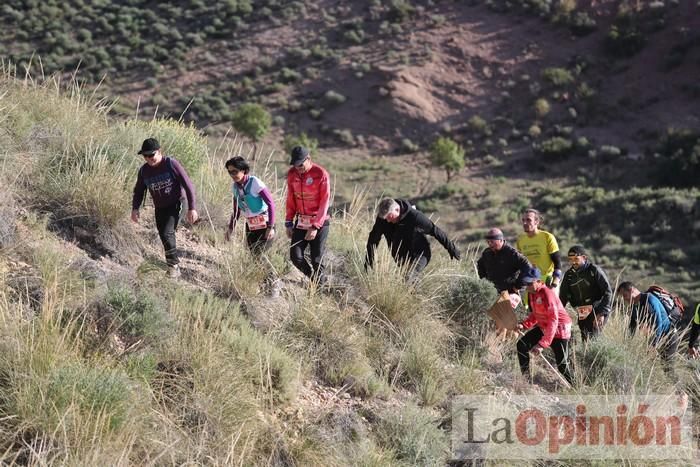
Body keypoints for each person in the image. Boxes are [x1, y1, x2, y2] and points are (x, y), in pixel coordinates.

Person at [131, 137, 198, 278]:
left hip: (177, 202)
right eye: (145, 156)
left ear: (159, 151)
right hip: (160, 207)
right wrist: (135, 208)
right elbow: (139, 191)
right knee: (163, 234)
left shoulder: (171, 164)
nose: (149, 158)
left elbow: (188, 185)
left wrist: (192, 208)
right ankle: (173, 266)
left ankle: (173, 267)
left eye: (151, 155)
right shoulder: (144, 171)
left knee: (167, 232)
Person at [365, 198, 460, 280]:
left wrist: (451, 248)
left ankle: (416, 298)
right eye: (386, 218)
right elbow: (373, 239)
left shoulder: (415, 217)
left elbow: (435, 231)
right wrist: (369, 261)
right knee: (406, 280)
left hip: (419, 253)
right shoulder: (384, 218)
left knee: (410, 277)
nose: (388, 220)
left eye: (390, 217)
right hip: (401, 257)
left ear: (397, 209)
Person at [516, 266, 574, 385]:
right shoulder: (532, 292)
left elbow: (554, 320)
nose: (527, 286)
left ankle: (577, 387)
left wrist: (543, 344)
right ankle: (527, 381)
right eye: (525, 283)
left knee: (562, 365)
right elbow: (536, 314)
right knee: (522, 345)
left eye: (530, 283)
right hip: (545, 326)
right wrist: (524, 325)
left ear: (539, 281)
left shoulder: (547, 294)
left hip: (560, 329)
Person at [285, 146, 331, 283]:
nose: (298, 167)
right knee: (295, 255)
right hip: (301, 221)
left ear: (308, 159)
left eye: (300, 164)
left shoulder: (321, 174)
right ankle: (312, 278)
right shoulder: (292, 174)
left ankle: (320, 285)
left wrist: (316, 226)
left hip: (320, 221)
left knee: (316, 258)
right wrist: (288, 221)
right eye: (295, 164)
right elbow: (291, 198)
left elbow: (325, 201)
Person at [559, 245, 613, 342]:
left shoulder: (594, 270)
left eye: (576, 259)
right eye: (570, 259)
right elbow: (563, 296)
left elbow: (607, 292)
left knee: (594, 337)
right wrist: (557, 314)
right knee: (585, 338)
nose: (573, 262)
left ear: (584, 258)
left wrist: (602, 313)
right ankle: (586, 356)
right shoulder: (569, 275)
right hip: (582, 309)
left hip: (597, 307)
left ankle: (596, 356)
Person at [224, 156, 275, 253]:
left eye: (235, 171)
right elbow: (236, 211)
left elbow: (271, 203)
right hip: (251, 226)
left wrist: (270, 227)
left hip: (265, 225)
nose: (232, 175)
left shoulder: (255, 182)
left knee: (261, 255)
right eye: (230, 172)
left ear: (243, 170)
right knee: (254, 256)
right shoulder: (235, 187)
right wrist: (230, 229)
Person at [617, 281, 679, 360]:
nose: (624, 299)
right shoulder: (634, 306)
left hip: (669, 336)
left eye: (625, 295)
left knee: (668, 368)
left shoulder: (649, 299)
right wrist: (626, 344)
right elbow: (632, 326)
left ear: (632, 290)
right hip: (657, 338)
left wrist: (653, 345)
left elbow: (658, 323)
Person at [516, 208, 563, 290]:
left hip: (547, 282)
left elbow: (557, 261)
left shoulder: (547, 237)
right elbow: (520, 264)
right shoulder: (520, 241)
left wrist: (555, 281)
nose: (524, 223)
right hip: (530, 282)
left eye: (528, 220)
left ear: (536, 222)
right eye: (523, 220)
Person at [476, 228, 531, 295]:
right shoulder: (487, 253)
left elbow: (528, 268)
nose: (490, 244)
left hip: (512, 294)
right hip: (494, 293)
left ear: (501, 240)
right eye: (488, 242)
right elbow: (480, 265)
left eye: (492, 242)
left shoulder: (511, 253)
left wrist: (517, 286)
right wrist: (485, 283)